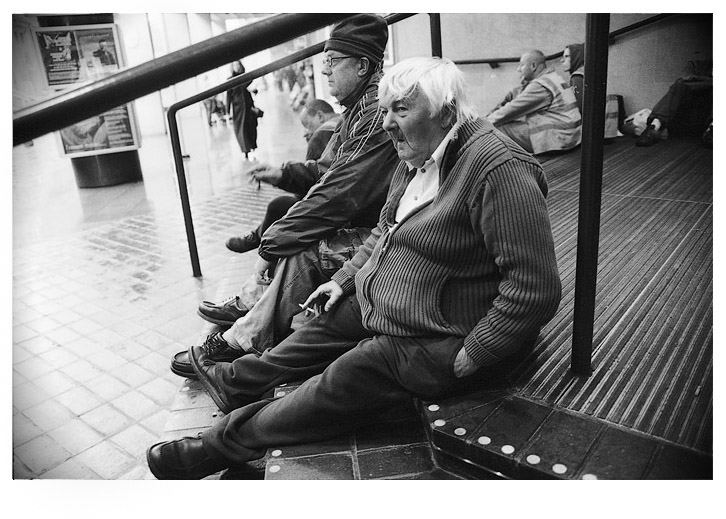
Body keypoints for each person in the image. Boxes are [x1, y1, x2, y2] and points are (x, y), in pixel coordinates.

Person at [147, 56, 562, 479]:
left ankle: (217, 446)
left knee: (343, 379)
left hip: (440, 332)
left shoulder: (498, 169)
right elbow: (386, 229)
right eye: (384, 110)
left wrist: (475, 352)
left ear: (448, 112)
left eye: (401, 110)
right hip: (392, 302)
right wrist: (344, 281)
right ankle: (235, 380)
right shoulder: (420, 154)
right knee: (318, 325)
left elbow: (534, 289)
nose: (386, 123)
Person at [168, 14, 399, 376]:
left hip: (387, 233)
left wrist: (271, 244)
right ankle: (251, 308)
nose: (325, 72)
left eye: (332, 62)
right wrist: (284, 173)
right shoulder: (359, 110)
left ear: (362, 65)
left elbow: (338, 195)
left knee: (304, 250)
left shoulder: (374, 115)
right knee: (290, 223)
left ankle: (244, 337)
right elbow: (327, 173)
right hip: (372, 221)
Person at [225, 99, 341, 254]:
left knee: (279, 205)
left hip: (330, 210)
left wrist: (283, 175)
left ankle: (259, 241)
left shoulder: (322, 135)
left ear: (320, 116)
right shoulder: (343, 121)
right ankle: (258, 238)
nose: (305, 132)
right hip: (336, 202)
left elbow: (311, 184)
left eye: (307, 126)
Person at [487, 49, 581, 154]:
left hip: (559, 139)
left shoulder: (540, 86)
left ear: (533, 66)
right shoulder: (553, 77)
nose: (518, 69)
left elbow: (510, 110)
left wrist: (482, 124)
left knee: (498, 128)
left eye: (521, 65)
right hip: (570, 135)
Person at [636, 63, 713, 147]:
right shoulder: (697, 65)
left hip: (707, 117)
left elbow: (691, 80)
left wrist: (699, 79)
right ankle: (654, 127)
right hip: (688, 115)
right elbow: (685, 79)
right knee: (679, 84)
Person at [227, 60, 262, 159]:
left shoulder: (247, 77)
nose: (237, 67)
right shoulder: (230, 80)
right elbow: (228, 96)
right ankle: (246, 151)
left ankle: (253, 148)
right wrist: (227, 111)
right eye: (234, 65)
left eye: (238, 64)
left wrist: (254, 90)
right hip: (238, 110)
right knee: (241, 130)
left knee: (251, 127)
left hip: (248, 107)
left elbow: (253, 89)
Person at [561, 43, 584, 113]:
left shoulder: (577, 77)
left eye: (567, 56)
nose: (562, 60)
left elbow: (577, 108)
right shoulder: (584, 72)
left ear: (576, 57)